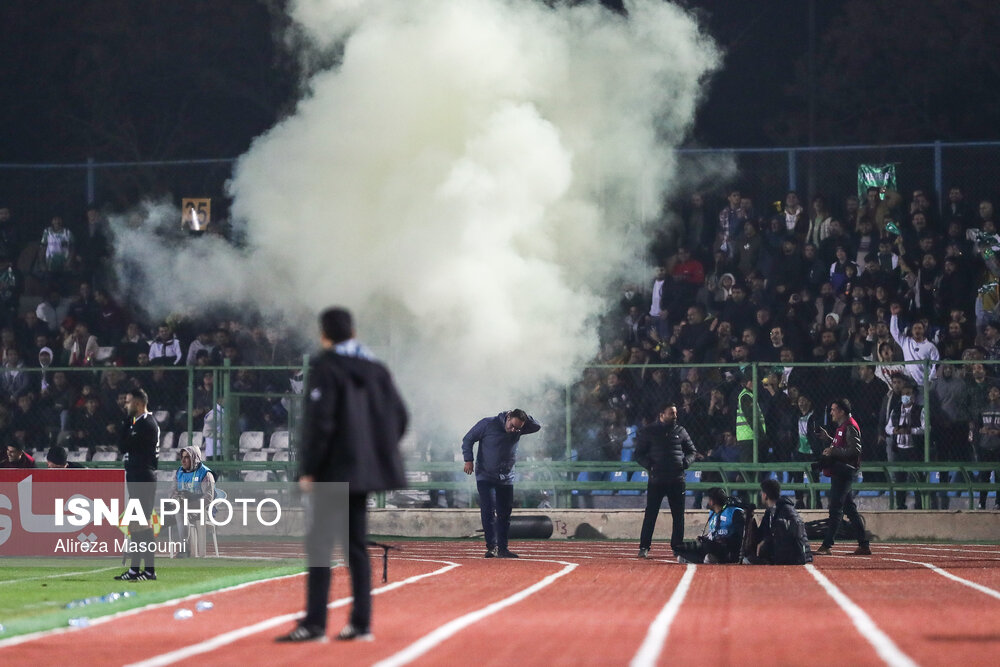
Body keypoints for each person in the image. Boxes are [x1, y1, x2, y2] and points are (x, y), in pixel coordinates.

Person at [277, 307, 407, 643]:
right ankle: (361, 623)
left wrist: (308, 469)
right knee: (356, 548)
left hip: (332, 470)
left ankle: (315, 624)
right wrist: (375, 449)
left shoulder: (326, 365)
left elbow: (320, 423)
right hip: (364, 472)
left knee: (320, 546)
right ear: (353, 331)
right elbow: (401, 416)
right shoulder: (376, 368)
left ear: (324, 333)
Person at [462, 408, 541, 558]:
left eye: (518, 428)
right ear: (508, 416)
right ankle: (491, 547)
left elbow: (537, 426)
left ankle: (503, 548)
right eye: (512, 425)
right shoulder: (488, 423)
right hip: (485, 475)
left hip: (506, 477)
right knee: (488, 510)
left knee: (505, 513)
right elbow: (468, 439)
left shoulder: (519, 429)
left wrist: (524, 419)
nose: (513, 430)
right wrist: (468, 460)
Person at [635, 403, 697, 559]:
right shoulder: (650, 431)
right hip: (657, 480)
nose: (675, 416)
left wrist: (685, 463)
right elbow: (638, 454)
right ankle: (644, 547)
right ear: (662, 414)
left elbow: (692, 451)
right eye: (671, 413)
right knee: (651, 514)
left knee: (678, 516)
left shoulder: (681, 431)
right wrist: (650, 466)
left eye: (675, 413)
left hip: (677, 479)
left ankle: (677, 547)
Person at [814, 398, 871, 556]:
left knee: (835, 507)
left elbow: (854, 451)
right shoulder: (842, 427)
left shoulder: (850, 427)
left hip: (844, 471)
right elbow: (843, 447)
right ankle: (863, 544)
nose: (831, 412)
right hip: (840, 470)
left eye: (833, 409)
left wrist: (833, 452)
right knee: (849, 509)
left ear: (842, 411)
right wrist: (829, 440)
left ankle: (827, 545)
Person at [115, 387, 160, 581]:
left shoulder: (146, 424)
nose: (126, 405)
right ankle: (135, 570)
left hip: (143, 476)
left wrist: (126, 423)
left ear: (139, 403)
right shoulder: (138, 423)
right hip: (135, 476)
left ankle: (149, 570)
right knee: (135, 525)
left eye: (129, 401)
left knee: (143, 525)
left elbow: (123, 445)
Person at [673, 487, 744, 564]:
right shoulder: (712, 513)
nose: (707, 502)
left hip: (726, 548)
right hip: (712, 545)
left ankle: (701, 559)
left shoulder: (734, 512)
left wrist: (725, 540)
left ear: (712, 501)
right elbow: (713, 532)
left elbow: (739, 536)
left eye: (709, 499)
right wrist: (704, 538)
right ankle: (707, 559)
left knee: (706, 546)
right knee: (678, 549)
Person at [752, 479, 812, 565]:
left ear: (765, 495)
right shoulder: (770, 512)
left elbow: (792, 535)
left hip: (795, 556)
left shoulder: (786, 510)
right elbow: (763, 533)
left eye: (762, 493)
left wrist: (766, 542)